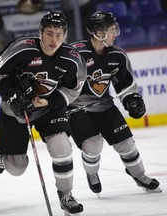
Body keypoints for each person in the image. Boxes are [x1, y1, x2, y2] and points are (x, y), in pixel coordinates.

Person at [0, 11, 87, 215]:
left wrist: (50, 101)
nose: (54, 39)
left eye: (59, 34)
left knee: (62, 147)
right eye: (50, 33)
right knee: (16, 169)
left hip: (48, 109)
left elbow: (73, 89)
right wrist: (13, 95)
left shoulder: (72, 59)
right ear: (40, 32)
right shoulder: (22, 48)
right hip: (17, 108)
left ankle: (66, 195)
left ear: (65, 35)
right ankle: (4, 147)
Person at [66, 11, 161, 196]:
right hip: (76, 109)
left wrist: (132, 100)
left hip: (104, 106)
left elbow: (125, 84)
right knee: (93, 145)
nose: (115, 34)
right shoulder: (75, 54)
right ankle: (92, 173)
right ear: (99, 32)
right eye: (111, 30)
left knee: (126, 144)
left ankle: (139, 175)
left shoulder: (117, 55)